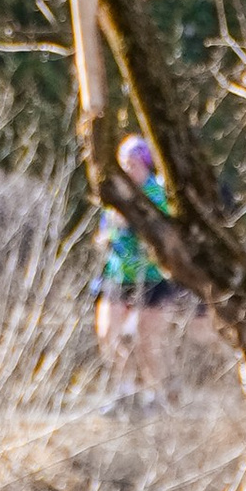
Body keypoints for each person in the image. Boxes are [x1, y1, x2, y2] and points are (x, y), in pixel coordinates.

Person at [92, 133, 176, 354]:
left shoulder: (157, 194)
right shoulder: (117, 193)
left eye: (133, 164)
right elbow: (106, 227)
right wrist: (105, 238)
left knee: (146, 343)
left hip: (151, 276)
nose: (128, 170)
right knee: (107, 333)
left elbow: (163, 232)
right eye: (124, 164)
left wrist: (132, 224)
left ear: (145, 164)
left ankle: (156, 388)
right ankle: (124, 383)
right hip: (118, 272)